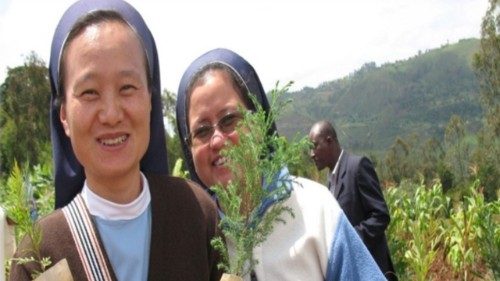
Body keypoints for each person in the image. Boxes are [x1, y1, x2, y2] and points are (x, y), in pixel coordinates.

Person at [9, 1, 221, 280]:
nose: (110, 114)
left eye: (127, 88)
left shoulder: (196, 212)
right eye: (89, 92)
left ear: (149, 101)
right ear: (63, 116)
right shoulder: (39, 255)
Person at [176, 48, 386, 281]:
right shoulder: (194, 241)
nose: (216, 140)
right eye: (202, 131)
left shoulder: (314, 208)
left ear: (259, 123)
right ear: (189, 149)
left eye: (229, 120)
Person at [309, 120, 397, 280]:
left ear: (329, 141)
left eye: (315, 146)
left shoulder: (357, 167)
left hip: (372, 270)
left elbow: (380, 215)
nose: (312, 154)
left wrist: (351, 237)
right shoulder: (330, 182)